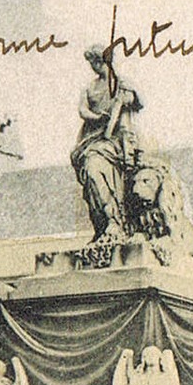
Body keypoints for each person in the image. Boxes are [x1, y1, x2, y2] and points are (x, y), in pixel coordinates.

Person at [72, 45, 143, 242]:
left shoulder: (121, 83)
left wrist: (126, 98)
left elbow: (138, 101)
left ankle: (114, 219)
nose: (94, 67)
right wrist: (97, 117)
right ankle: (103, 221)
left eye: (95, 62)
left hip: (116, 141)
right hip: (93, 138)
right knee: (90, 167)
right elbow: (82, 110)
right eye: (91, 63)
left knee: (94, 168)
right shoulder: (89, 88)